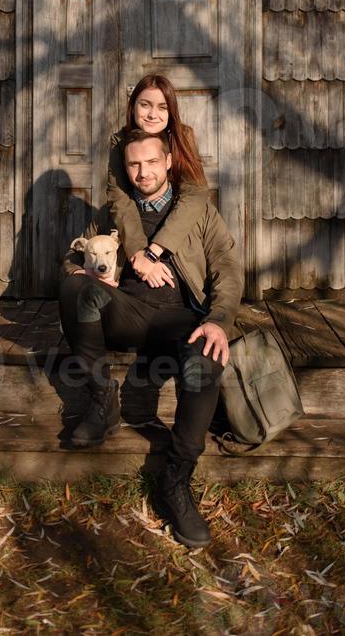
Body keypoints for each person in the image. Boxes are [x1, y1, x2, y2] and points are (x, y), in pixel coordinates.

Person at [59, 128, 244, 548]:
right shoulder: (113, 215)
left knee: (208, 354)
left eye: (151, 162)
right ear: (125, 168)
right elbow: (71, 258)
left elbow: (227, 271)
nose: (143, 172)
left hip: (183, 319)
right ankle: (101, 398)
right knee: (73, 286)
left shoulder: (197, 214)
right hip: (128, 313)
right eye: (133, 165)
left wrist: (219, 319)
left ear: (168, 162)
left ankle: (176, 481)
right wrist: (81, 271)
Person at [108, 74, 210, 288]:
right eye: (145, 105)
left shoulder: (183, 137)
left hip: (173, 219)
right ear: (133, 106)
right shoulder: (119, 141)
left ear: (171, 111)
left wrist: (153, 252)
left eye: (162, 107)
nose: (153, 114)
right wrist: (139, 254)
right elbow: (119, 197)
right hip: (138, 218)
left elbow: (195, 194)